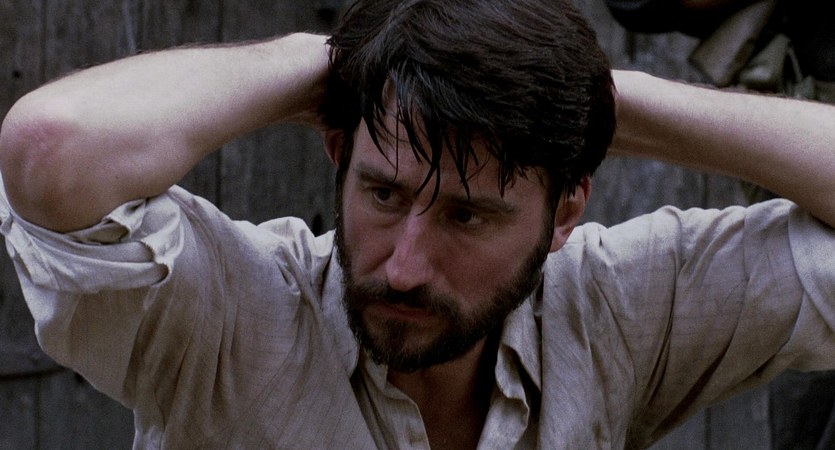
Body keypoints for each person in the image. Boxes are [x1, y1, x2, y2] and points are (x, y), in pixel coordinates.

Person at [0, 0, 833, 448]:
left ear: (564, 211)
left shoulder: (615, 310)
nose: (401, 266)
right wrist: (327, 64)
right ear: (338, 152)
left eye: (467, 216)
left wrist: (606, 101)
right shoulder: (227, 314)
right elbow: (53, 148)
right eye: (384, 194)